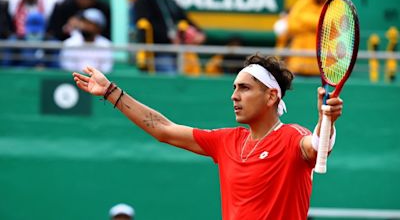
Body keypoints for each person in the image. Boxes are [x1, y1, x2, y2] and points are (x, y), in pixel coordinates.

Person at [72, 54, 343, 219]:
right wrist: (111, 92)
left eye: (245, 88)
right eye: (234, 87)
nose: (234, 95)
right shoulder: (226, 141)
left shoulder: (292, 136)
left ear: (272, 96)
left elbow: (317, 145)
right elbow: (163, 129)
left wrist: (325, 119)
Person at [133, 0, 206, 74]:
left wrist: (199, 33)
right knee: (171, 75)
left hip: (178, 51)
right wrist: (171, 38)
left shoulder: (170, 1)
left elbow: (185, 19)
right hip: (158, 52)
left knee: (194, 73)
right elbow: (145, 27)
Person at [284, 0, 340, 76]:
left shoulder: (338, 2)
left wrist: (302, 20)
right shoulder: (303, 2)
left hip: (326, 72)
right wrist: (317, 23)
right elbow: (291, 25)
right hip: (298, 68)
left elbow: (328, 24)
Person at [60, 8, 113, 73]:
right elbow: (68, 68)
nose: (85, 26)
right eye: (84, 22)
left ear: (98, 28)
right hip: (73, 81)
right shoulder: (69, 43)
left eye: (90, 23)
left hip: (97, 82)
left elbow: (106, 69)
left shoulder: (105, 45)